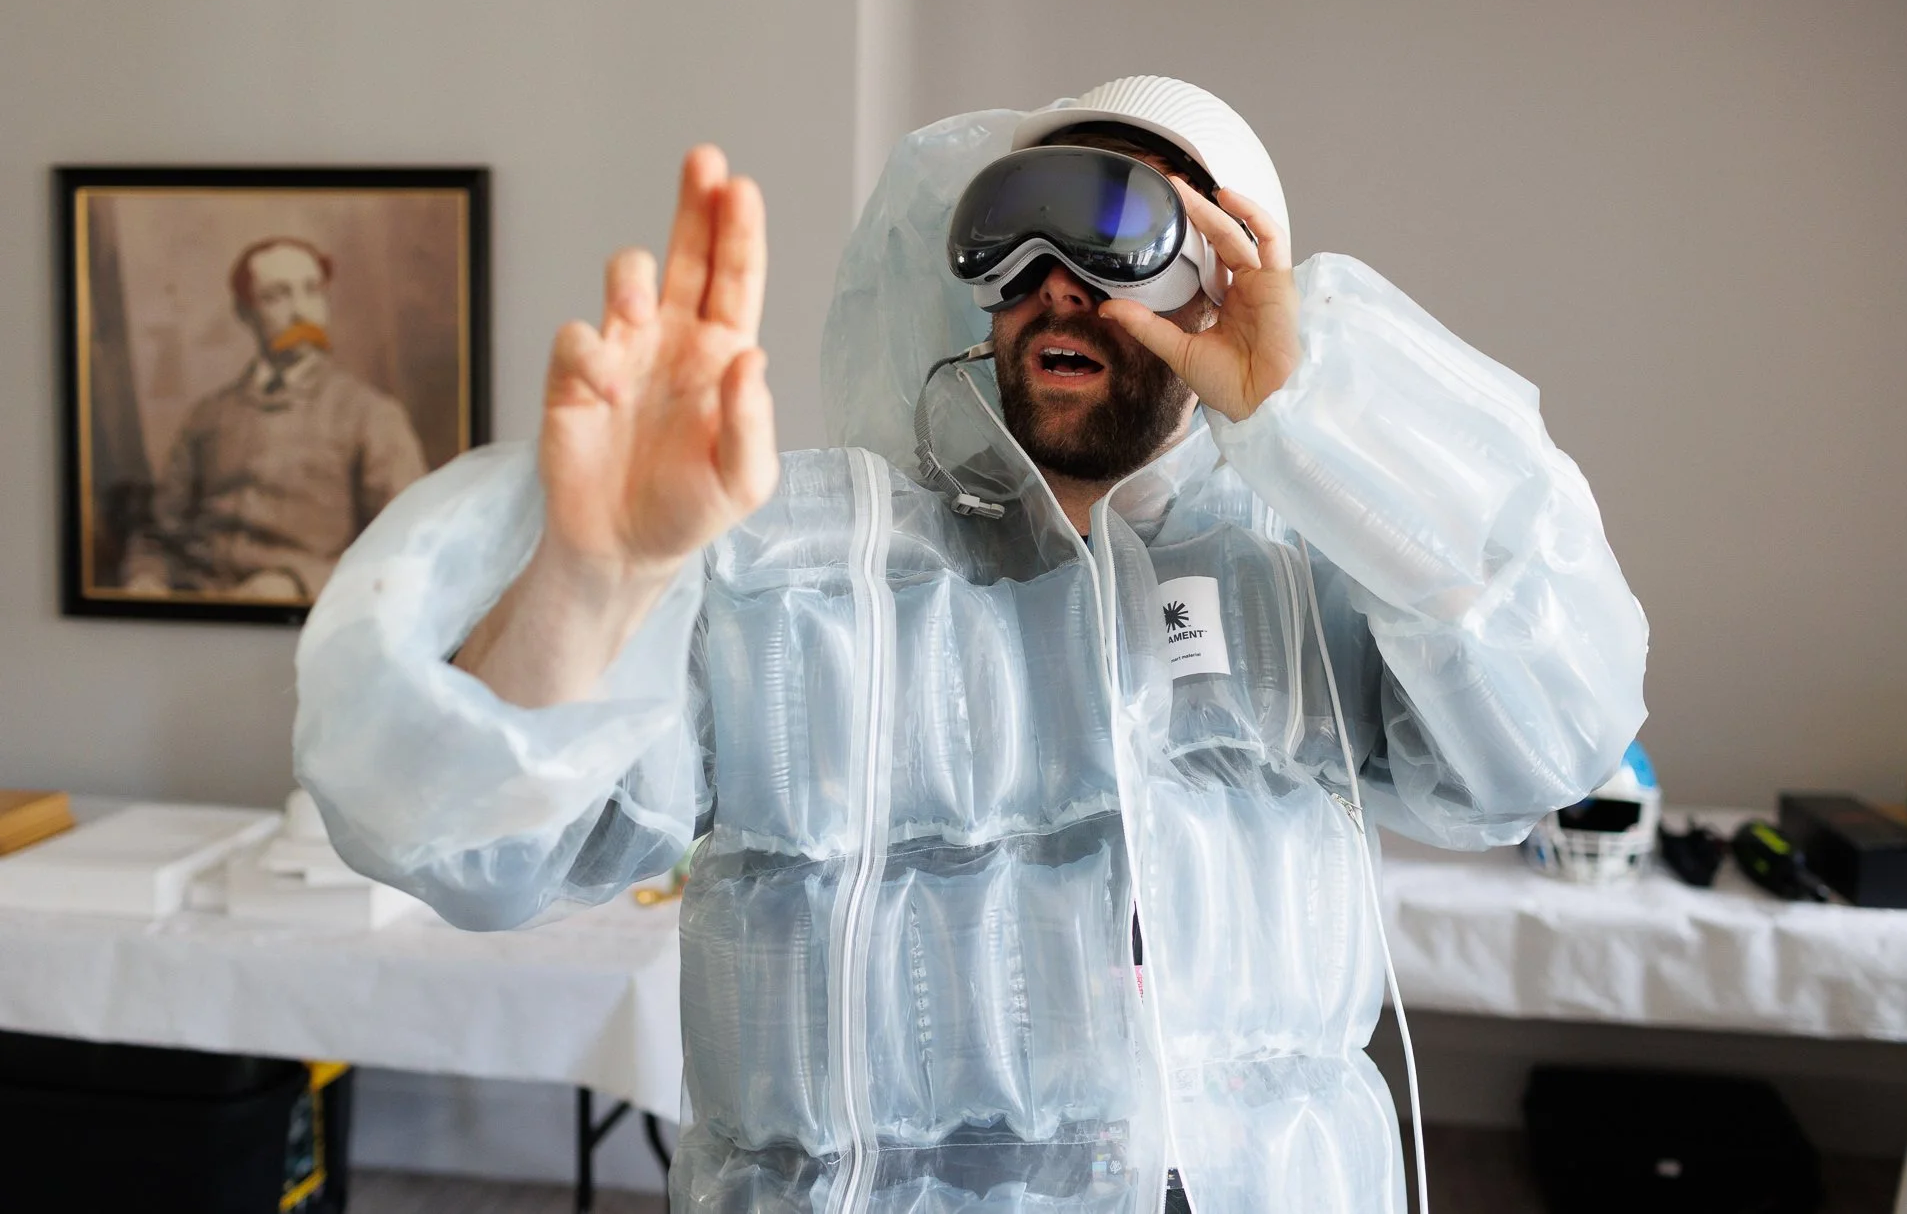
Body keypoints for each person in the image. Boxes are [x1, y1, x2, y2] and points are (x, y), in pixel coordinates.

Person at [295, 77, 1648, 1212]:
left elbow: (1552, 736)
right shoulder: (790, 566)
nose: (1058, 293)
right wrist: (597, 580)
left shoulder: (1314, 573)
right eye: (1016, 249)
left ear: (1228, 278)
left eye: (1119, 239)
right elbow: (463, 848)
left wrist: (1331, 426)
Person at [123, 235, 429, 600]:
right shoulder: (209, 416)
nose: (301, 313)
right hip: (195, 612)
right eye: (277, 296)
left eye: (312, 291)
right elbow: (158, 534)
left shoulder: (372, 415)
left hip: (295, 623)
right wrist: (145, 580)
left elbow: (408, 549)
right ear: (244, 312)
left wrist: (299, 584)